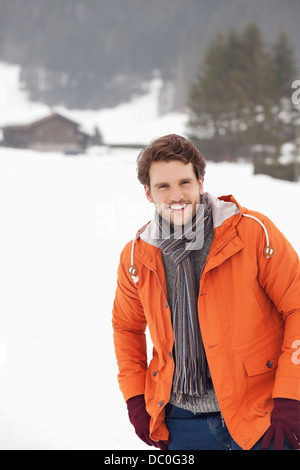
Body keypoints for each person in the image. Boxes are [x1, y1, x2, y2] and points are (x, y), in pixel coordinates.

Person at [112, 134, 300, 450]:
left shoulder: (252, 232)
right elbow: (126, 328)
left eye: (185, 182)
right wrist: (135, 400)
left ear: (201, 181)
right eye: (163, 186)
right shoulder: (137, 256)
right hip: (181, 423)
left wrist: (291, 397)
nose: (176, 196)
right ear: (148, 193)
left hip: (260, 416)